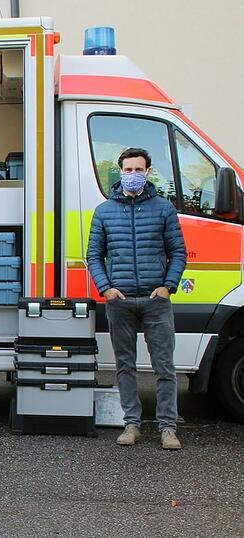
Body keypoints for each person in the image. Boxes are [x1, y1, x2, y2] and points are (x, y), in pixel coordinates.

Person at [86, 147, 187, 450]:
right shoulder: (104, 211)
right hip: (121, 301)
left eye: (138, 170)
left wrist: (168, 286)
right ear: (120, 172)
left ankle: (168, 428)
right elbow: (94, 255)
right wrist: (106, 289)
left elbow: (178, 252)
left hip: (156, 301)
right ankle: (132, 424)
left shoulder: (163, 208)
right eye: (127, 170)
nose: (132, 175)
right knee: (124, 366)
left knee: (165, 368)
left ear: (148, 172)